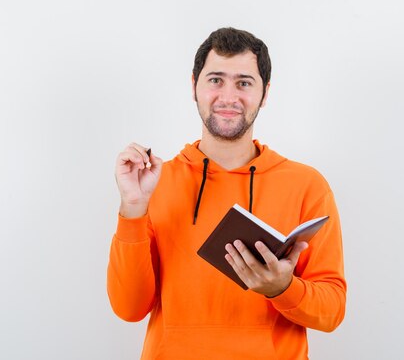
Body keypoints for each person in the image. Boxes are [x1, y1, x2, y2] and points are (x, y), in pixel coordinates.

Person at [107, 27, 346, 360]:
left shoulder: (307, 185)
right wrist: (133, 207)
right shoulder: (153, 182)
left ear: (265, 94)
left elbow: (332, 310)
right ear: (194, 87)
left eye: (244, 83)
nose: (229, 97)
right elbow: (129, 308)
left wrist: (283, 289)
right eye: (215, 80)